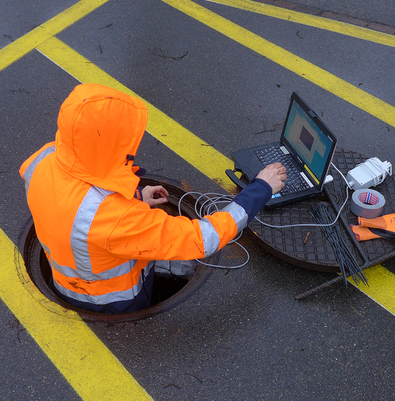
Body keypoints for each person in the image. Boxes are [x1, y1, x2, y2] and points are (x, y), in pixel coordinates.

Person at [20, 84, 286, 313]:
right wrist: (261, 188)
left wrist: (135, 196)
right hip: (114, 301)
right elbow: (203, 238)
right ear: (106, 144)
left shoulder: (45, 160)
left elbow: (72, 206)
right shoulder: (114, 219)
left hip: (68, 279)